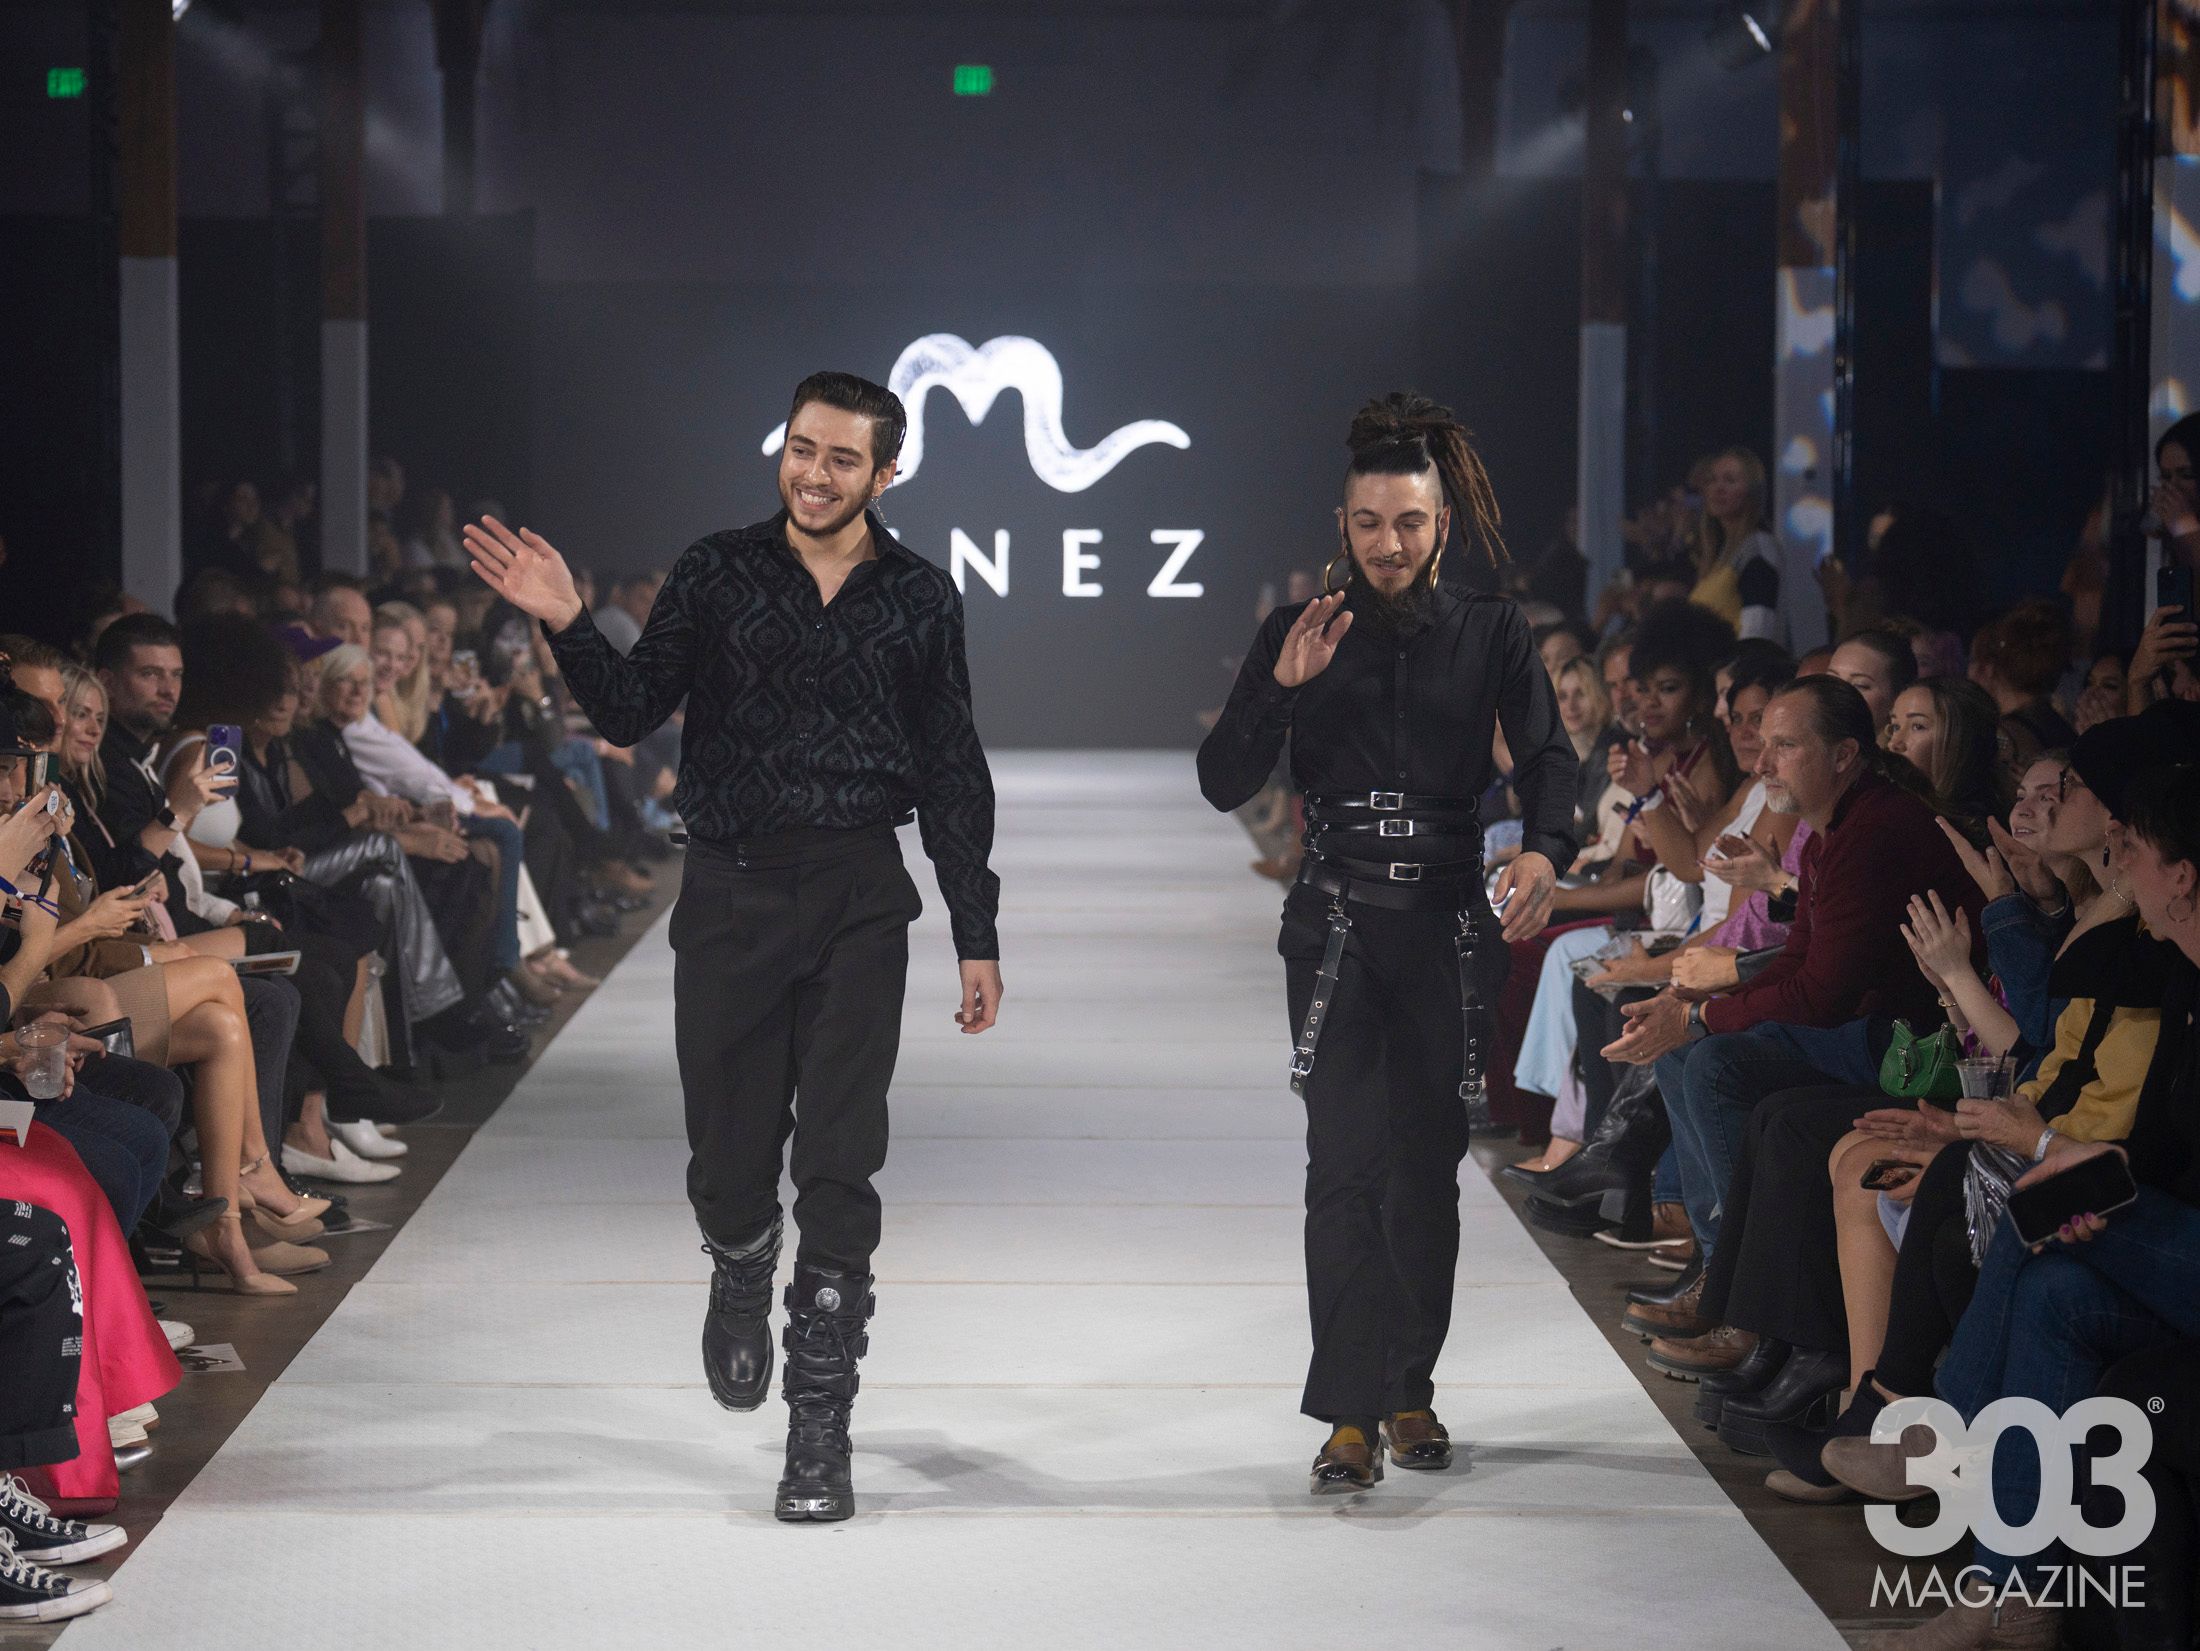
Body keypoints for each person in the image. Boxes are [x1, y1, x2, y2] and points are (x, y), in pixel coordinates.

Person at [464, 368, 1003, 1525]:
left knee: (843, 1162)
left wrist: (975, 925)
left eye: (842, 457)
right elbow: (628, 709)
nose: (815, 473)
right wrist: (565, 618)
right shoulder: (714, 570)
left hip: (859, 891)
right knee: (727, 1161)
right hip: (729, 893)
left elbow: (953, 766)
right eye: (803, 448)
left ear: (885, 472)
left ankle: (818, 1433)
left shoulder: (921, 596)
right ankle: (742, 1259)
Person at [1198, 392, 1571, 1495]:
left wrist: (1545, 849)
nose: (1388, 543)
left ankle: (1410, 1387)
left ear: (1441, 524)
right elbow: (1222, 781)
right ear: (1342, 524)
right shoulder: (1300, 633)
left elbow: (1549, 757)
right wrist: (1279, 690)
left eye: (1408, 522)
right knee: (1344, 1165)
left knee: (1425, 1169)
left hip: (1450, 926)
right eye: (1368, 522)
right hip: (1336, 928)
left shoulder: (1492, 630)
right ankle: (1349, 1411)